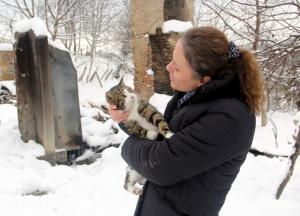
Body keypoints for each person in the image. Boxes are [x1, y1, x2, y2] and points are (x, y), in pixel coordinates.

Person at [108, 26, 265, 216]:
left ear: (203, 80)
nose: (168, 67)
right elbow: (157, 137)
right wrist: (125, 117)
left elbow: (161, 164)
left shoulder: (231, 118)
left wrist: (128, 146)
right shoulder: (191, 99)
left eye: (177, 65)